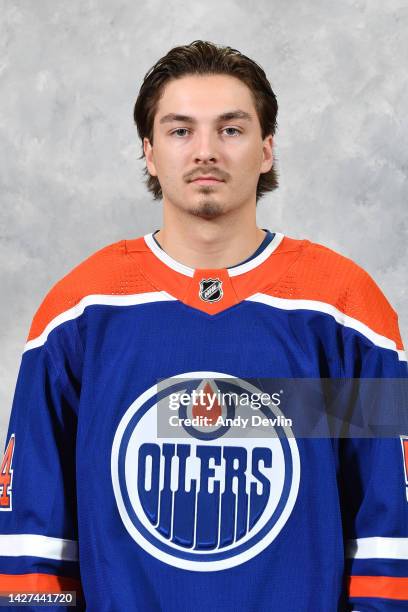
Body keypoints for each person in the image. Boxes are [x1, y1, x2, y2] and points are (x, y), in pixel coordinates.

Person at [0, 39, 407, 611]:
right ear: (149, 151)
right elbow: (33, 535)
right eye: (180, 130)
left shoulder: (343, 309)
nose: (205, 151)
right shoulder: (79, 313)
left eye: (232, 129)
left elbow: (388, 520)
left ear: (267, 150)